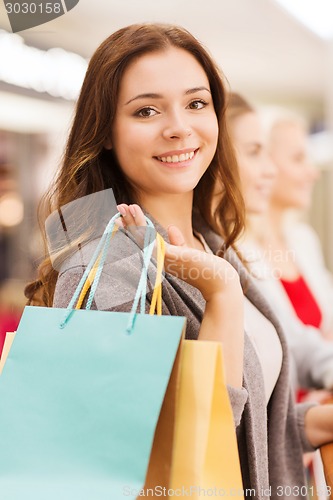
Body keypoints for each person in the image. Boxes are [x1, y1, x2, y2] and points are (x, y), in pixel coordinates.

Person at [25, 24, 333, 499]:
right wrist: (221, 297)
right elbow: (185, 455)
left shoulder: (214, 243)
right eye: (146, 110)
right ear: (105, 132)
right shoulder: (102, 267)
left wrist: (311, 420)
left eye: (196, 103)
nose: (179, 127)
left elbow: (244, 422)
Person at [238, 104, 333, 394]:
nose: (312, 173)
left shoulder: (303, 240)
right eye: (297, 158)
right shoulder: (236, 248)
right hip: (287, 418)